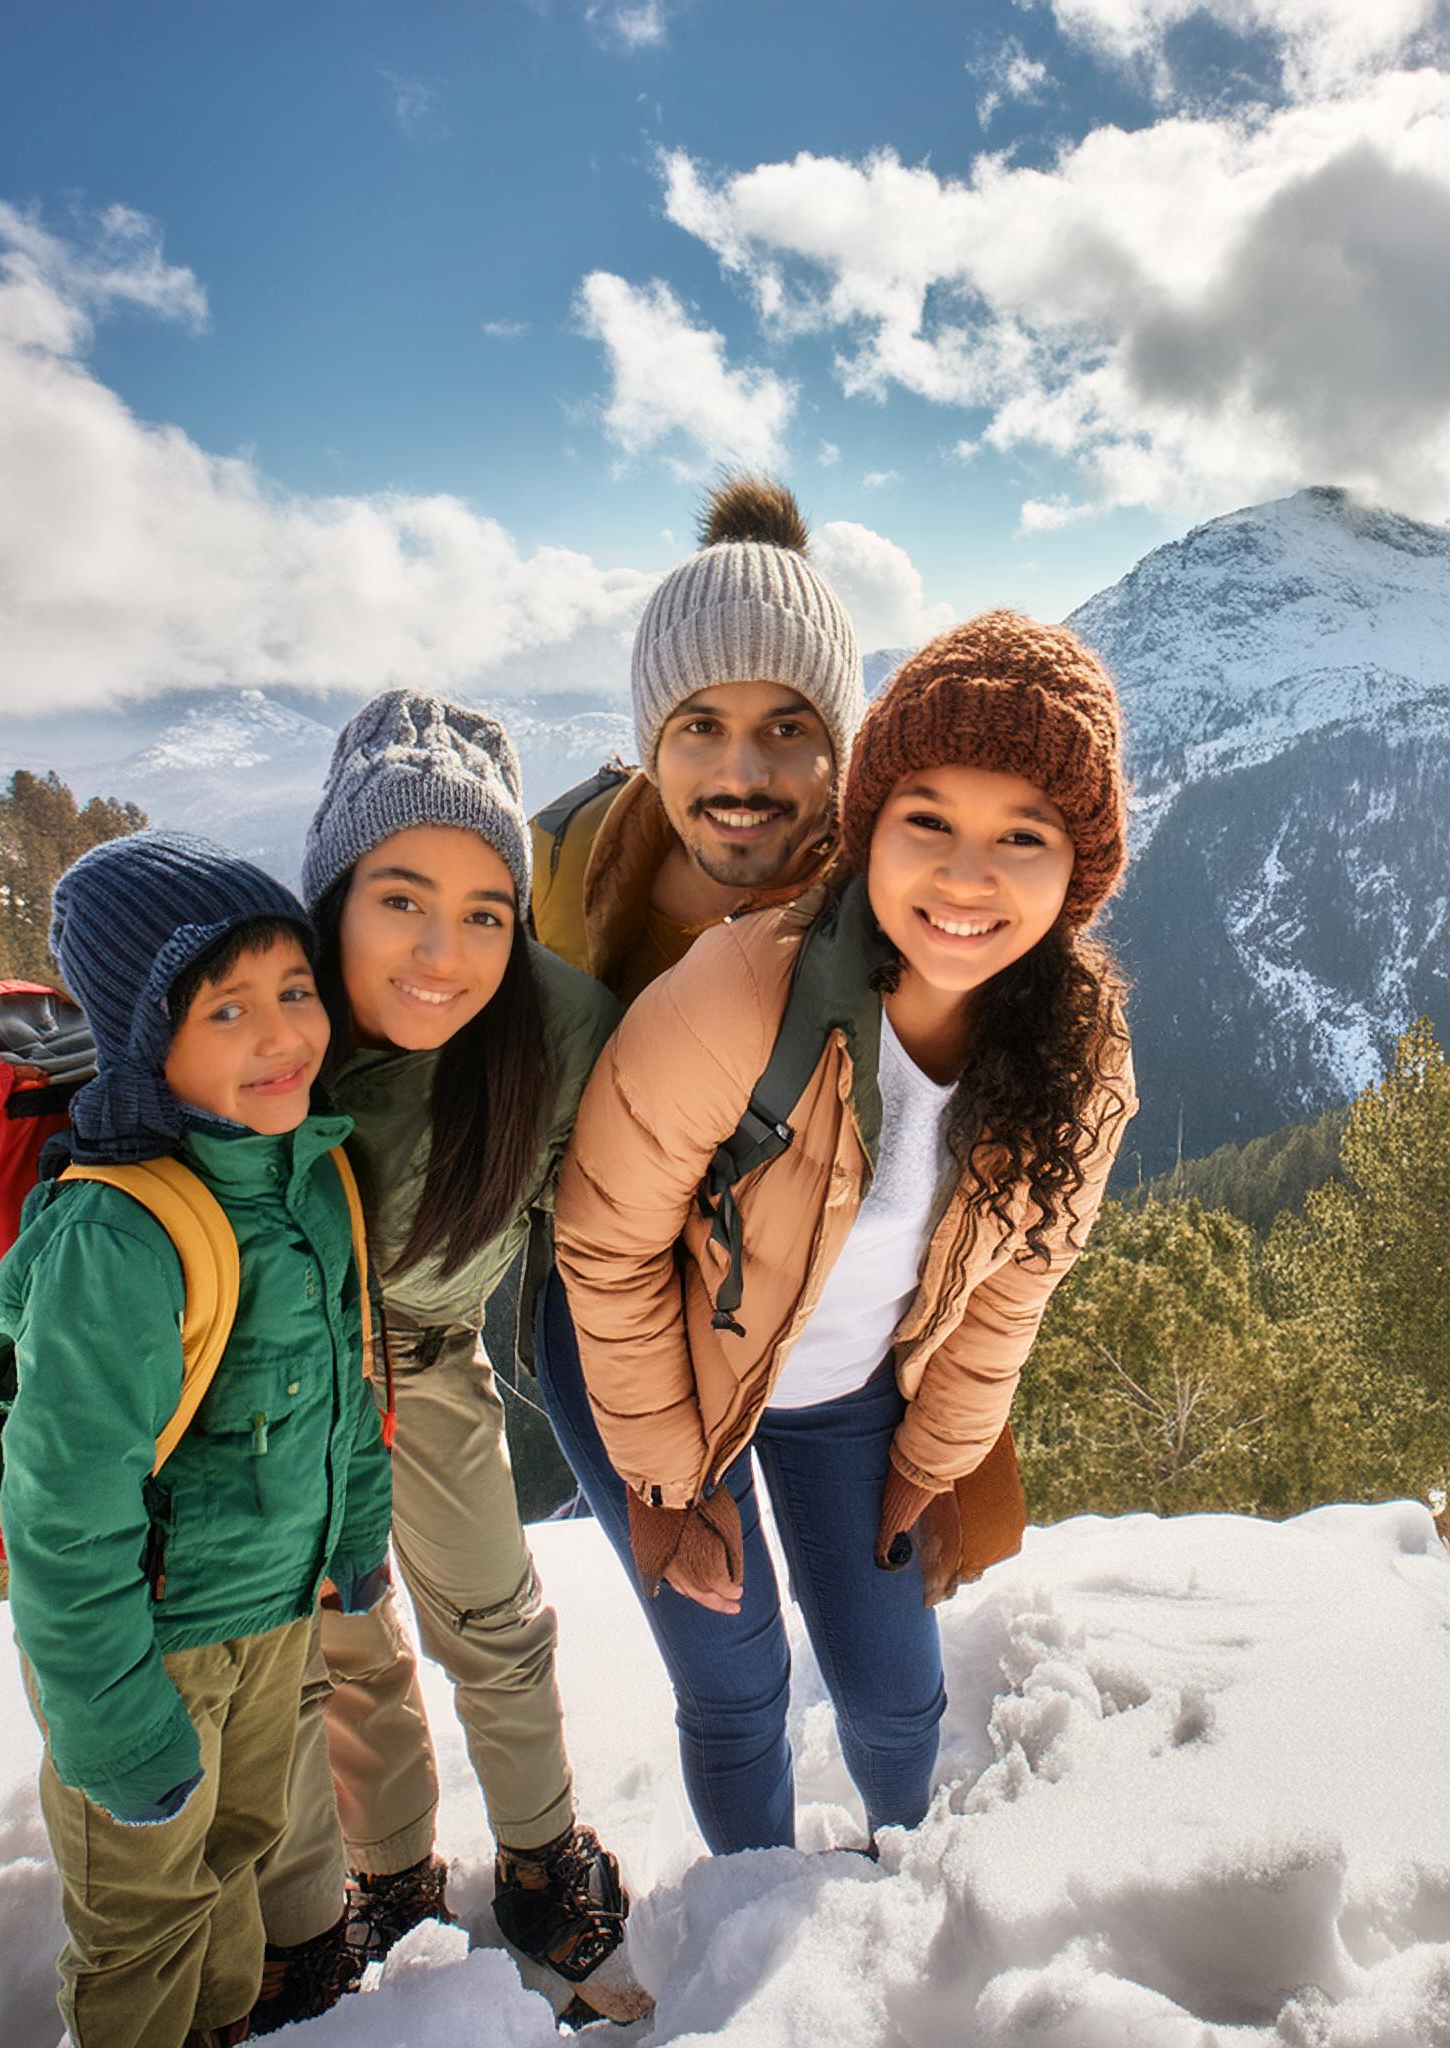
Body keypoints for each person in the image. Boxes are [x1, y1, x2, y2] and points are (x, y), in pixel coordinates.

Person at [547, 610, 1138, 1857]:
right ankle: (752, 1921)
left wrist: (933, 1458)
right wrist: (664, 1483)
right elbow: (604, 1248)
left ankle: (903, 1883)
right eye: (927, 818)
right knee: (736, 1683)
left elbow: (1012, 1283)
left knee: (892, 1690)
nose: (967, 876)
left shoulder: (1075, 1062)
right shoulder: (736, 994)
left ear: (1076, 868)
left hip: (842, 1384)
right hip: (654, 1363)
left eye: (1020, 835)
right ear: (867, 825)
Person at [250, 690, 647, 2030]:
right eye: (401, 899)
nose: (443, 952)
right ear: (335, 895)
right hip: (277, 1386)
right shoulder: (262, 1021)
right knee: (327, 1646)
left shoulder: (555, 1028)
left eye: (486, 911)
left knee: (492, 1620)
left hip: (426, 1359)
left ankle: (541, 1858)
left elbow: (602, 1238)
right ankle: (383, 1880)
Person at [0, 830, 393, 2048]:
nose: (282, 1035)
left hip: (267, 1619)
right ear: (145, 1039)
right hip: (148, 1648)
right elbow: (62, 1513)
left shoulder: (307, 1169)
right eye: (227, 1008)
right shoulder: (115, 1238)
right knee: (142, 1917)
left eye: (294, 990)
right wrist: (109, 1719)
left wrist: (357, 1527)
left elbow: (340, 1374)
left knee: (236, 1852)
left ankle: (219, 2027)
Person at [529, 475, 866, 1006]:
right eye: (702, 728)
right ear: (653, 747)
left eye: (785, 730)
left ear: (839, 753)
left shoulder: (892, 927)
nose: (741, 776)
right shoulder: (553, 870)